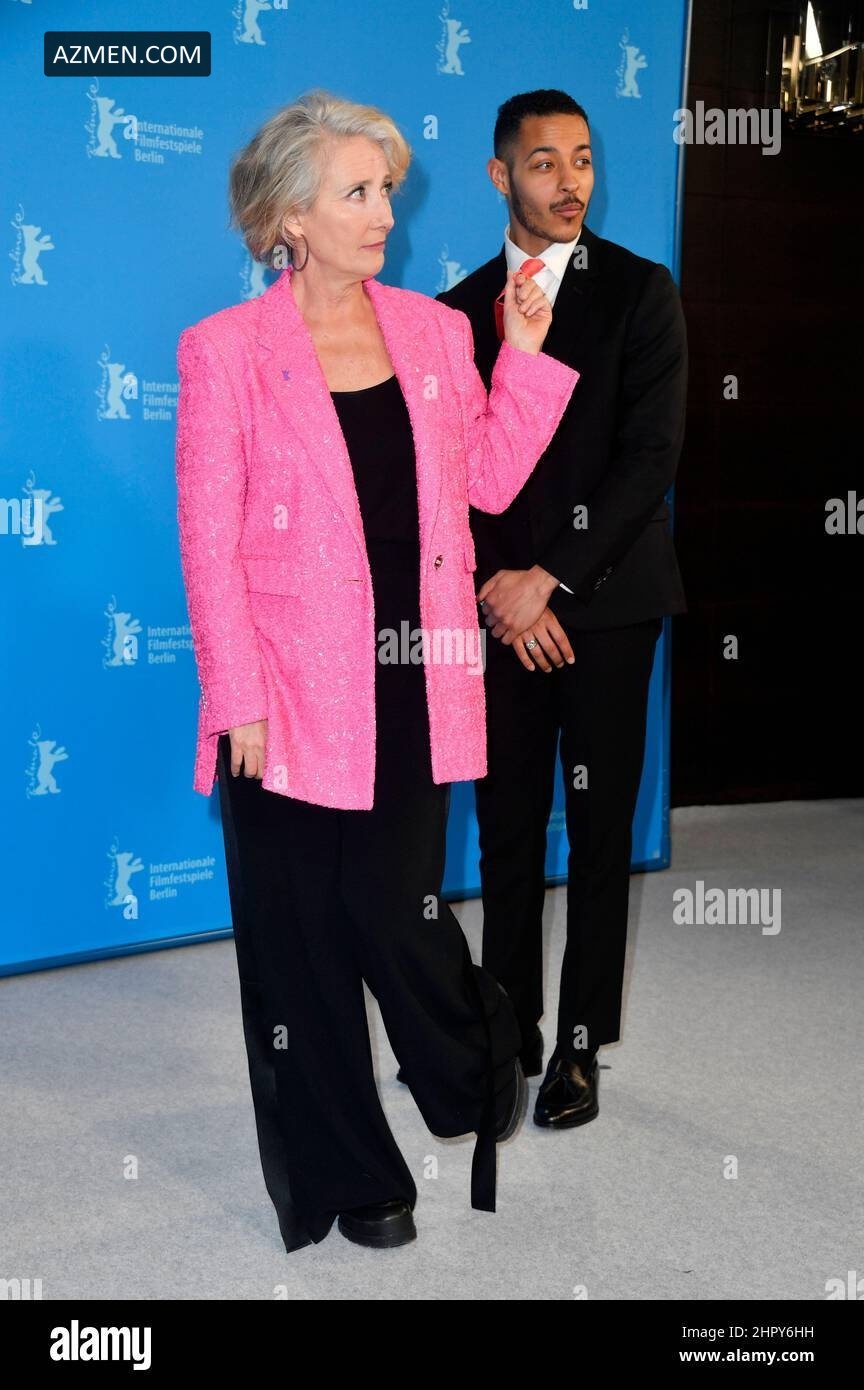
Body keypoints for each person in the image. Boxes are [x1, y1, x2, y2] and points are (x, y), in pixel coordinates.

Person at [174, 89, 579, 1252]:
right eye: (356, 192)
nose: (383, 213)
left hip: (415, 674)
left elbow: (486, 482)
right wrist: (237, 699)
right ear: (290, 217)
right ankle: (357, 1179)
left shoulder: (435, 332)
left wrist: (526, 357)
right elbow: (208, 543)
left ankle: (476, 1059)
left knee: (399, 917)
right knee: (299, 944)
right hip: (284, 687)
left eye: (387, 188)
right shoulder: (225, 352)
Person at [437, 89, 687, 1128]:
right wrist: (505, 589)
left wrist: (553, 577)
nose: (571, 181)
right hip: (500, 613)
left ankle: (580, 1045)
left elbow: (649, 460)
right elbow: (451, 477)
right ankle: (510, 1029)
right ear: (501, 176)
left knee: (596, 830)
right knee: (503, 833)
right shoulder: (455, 312)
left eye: (582, 159)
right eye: (545, 163)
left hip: (608, 608)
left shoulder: (639, 291)